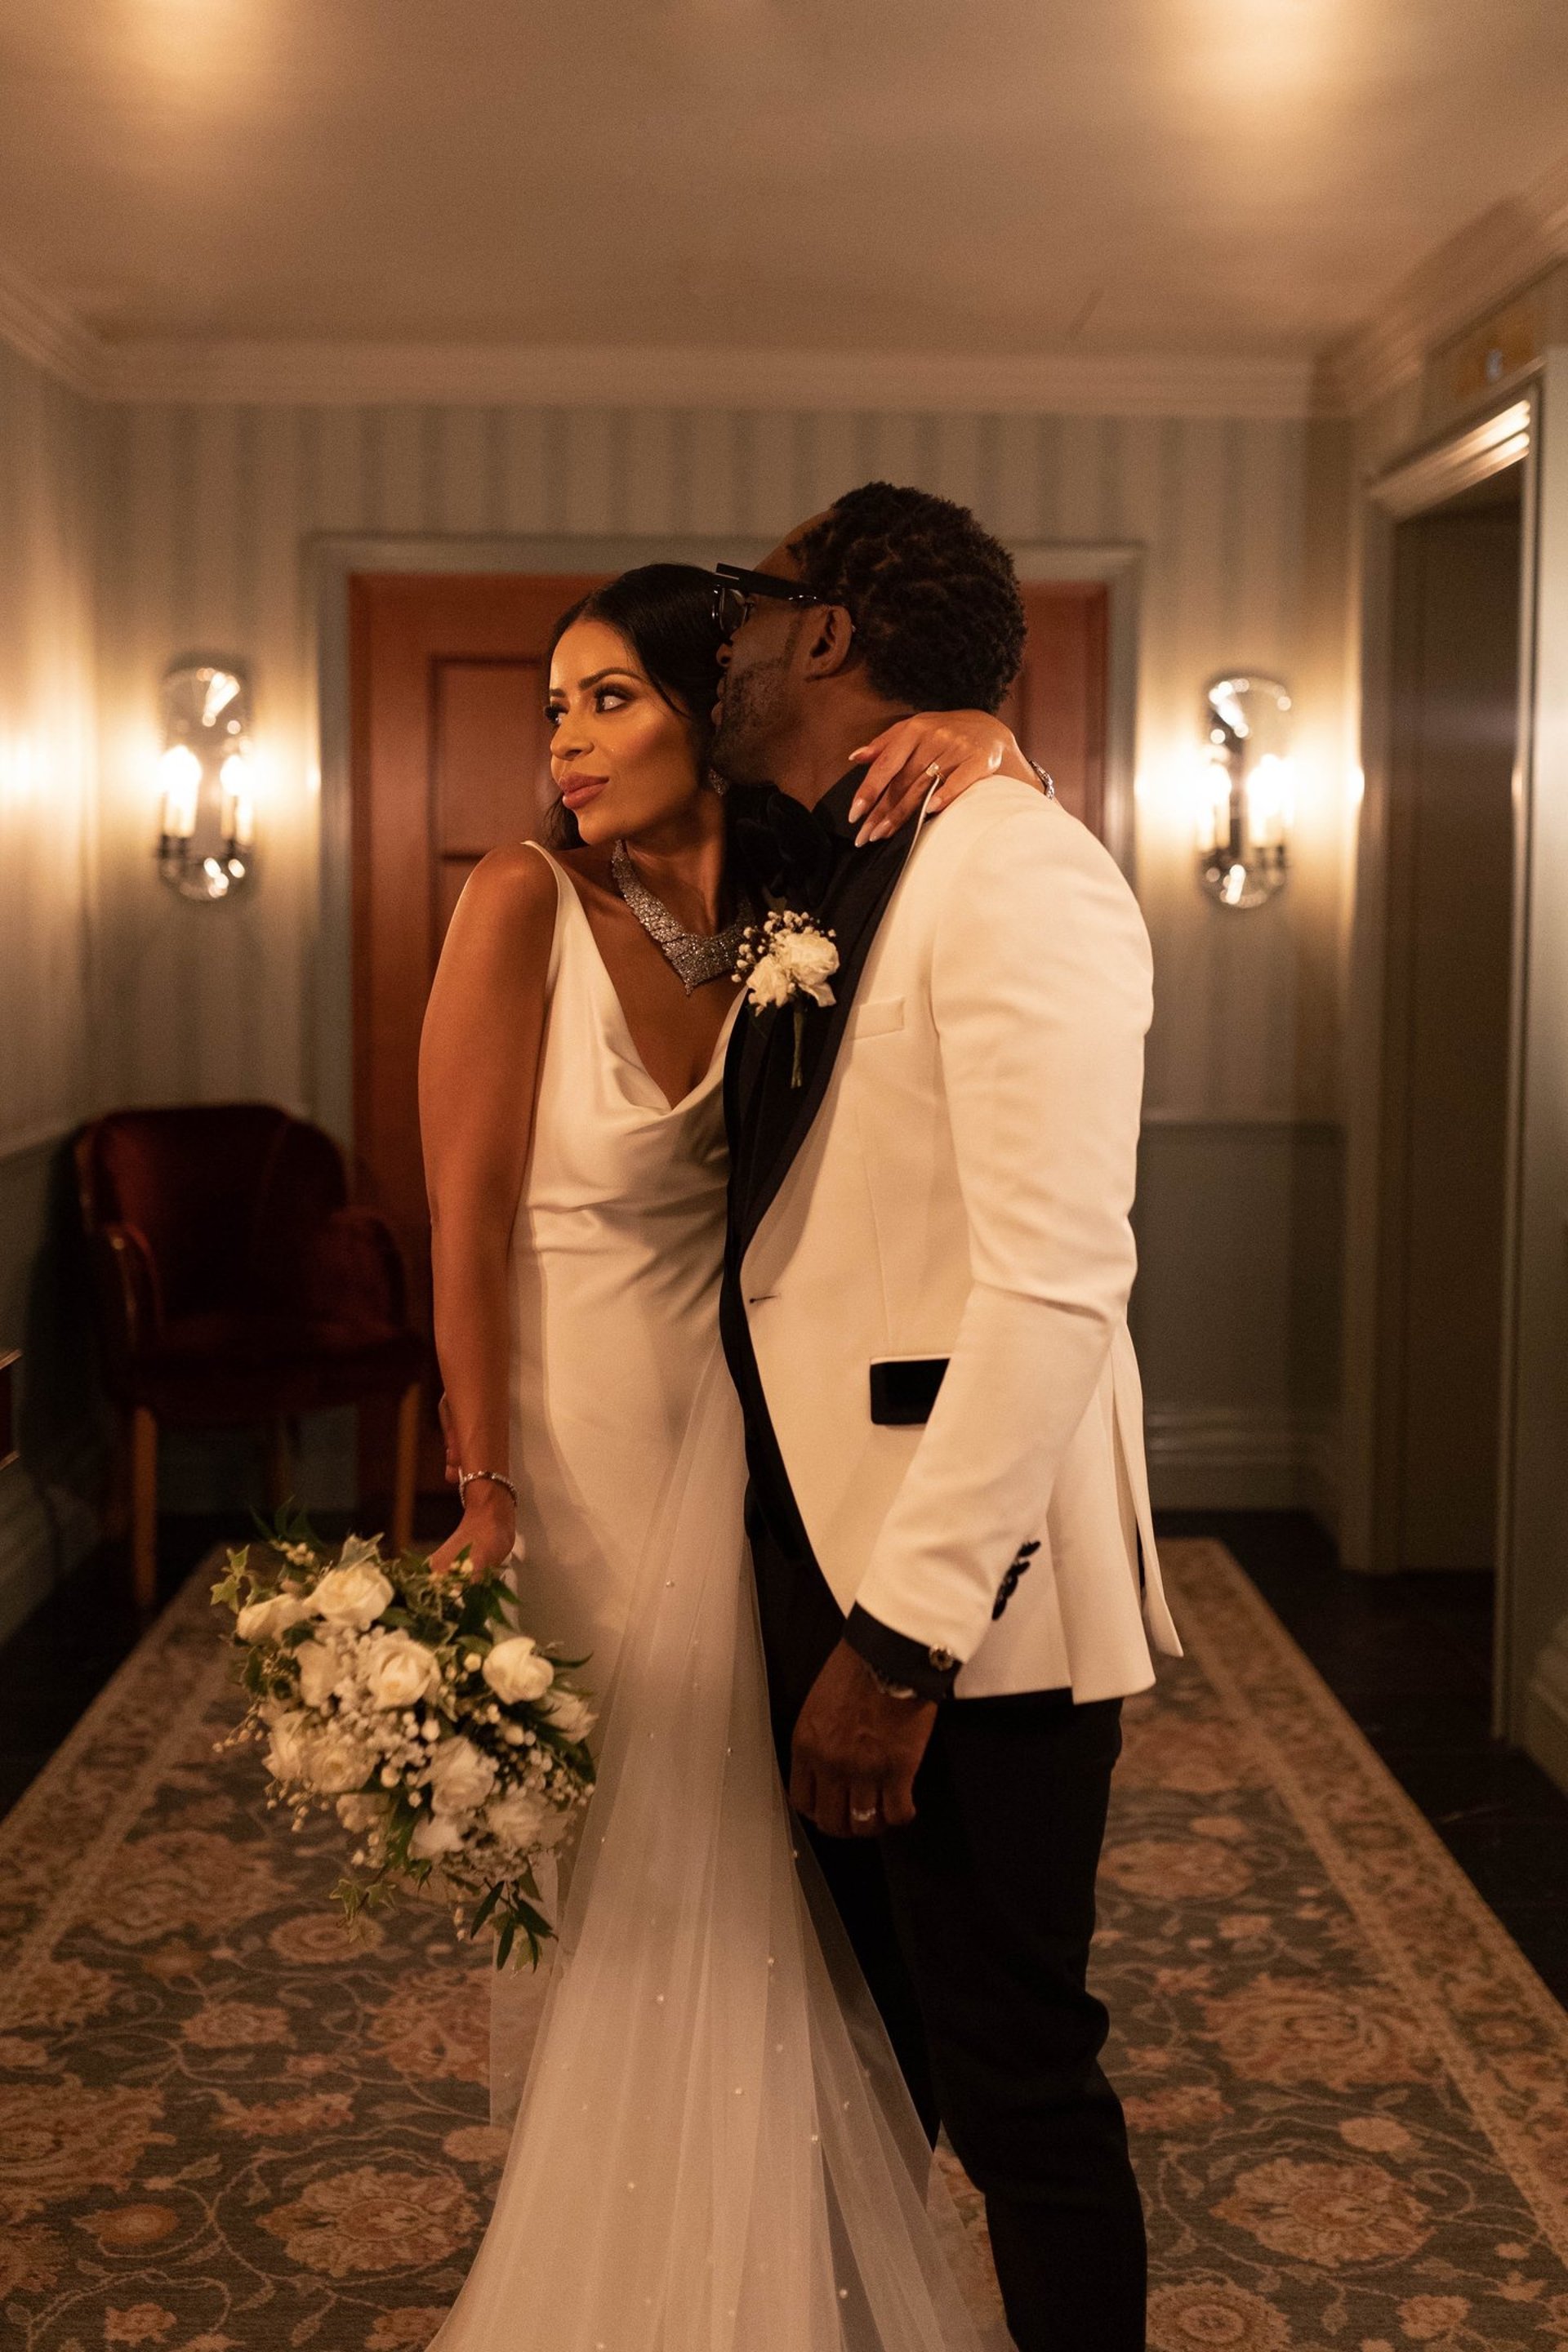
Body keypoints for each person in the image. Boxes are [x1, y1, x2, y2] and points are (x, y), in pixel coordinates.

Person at [419, 558, 1035, 2351]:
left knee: (780, 1879)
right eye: (556, 707)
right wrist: (483, 1485)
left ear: (717, 701)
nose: (570, 738)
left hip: (767, 1452)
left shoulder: (793, 894)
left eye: (611, 695)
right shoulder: (518, 901)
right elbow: (458, 1223)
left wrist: (993, 735)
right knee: (653, 1891)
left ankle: (768, 2277)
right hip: (579, 1462)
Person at [712, 482, 1181, 2352]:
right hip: (800, 1542)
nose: (726, 639)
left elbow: (1059, 1285)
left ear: (827, 631)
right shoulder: (808, 858)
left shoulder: (1018, 867)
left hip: (961, 1601)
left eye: (757, 600)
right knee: (859, 2058)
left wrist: (899, 1644)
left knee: (1019, 2085)